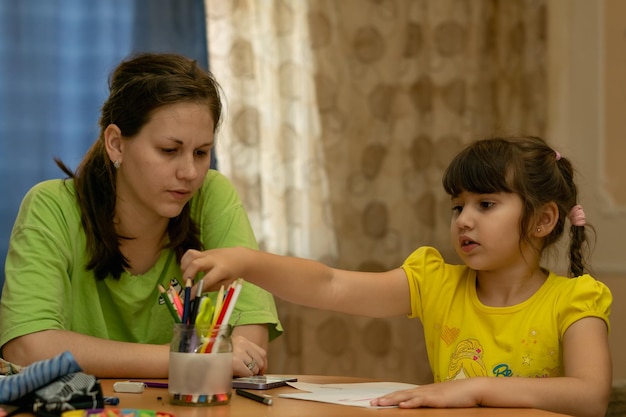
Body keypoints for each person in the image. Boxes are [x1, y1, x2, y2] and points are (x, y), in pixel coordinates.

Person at [179, 136, 612, 417]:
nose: (464, 220)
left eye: (487, 204)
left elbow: (590, 396)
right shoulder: (434, 282)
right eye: (458, 206)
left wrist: (475, 389)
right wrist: (246, 261)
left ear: (542, 220)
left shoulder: (576, 299)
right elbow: (331, 284)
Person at [0, 52, 282, 378]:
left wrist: (217, 357)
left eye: (201, 152)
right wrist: (185, 358)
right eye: (169, 151)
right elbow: (27, 348)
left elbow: (249, 345)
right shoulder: (51, 207)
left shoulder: (212, 195)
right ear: (117, 144)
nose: (190, 172)